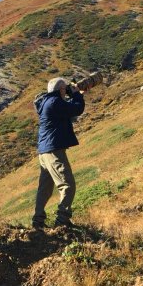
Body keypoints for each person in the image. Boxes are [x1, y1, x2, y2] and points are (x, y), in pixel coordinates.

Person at [32, 77, 86, 229]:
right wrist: (76, 94)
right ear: (60, 90)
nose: (66, 90)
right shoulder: (55, 102)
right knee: (67, 185)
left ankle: (38, 221)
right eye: (65, 88)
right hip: (54, 150)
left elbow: (67, 108)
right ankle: (62, 220)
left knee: (45, 188)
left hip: (44, 152)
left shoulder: (47, 102)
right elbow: (77, 109)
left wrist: (72, 94)